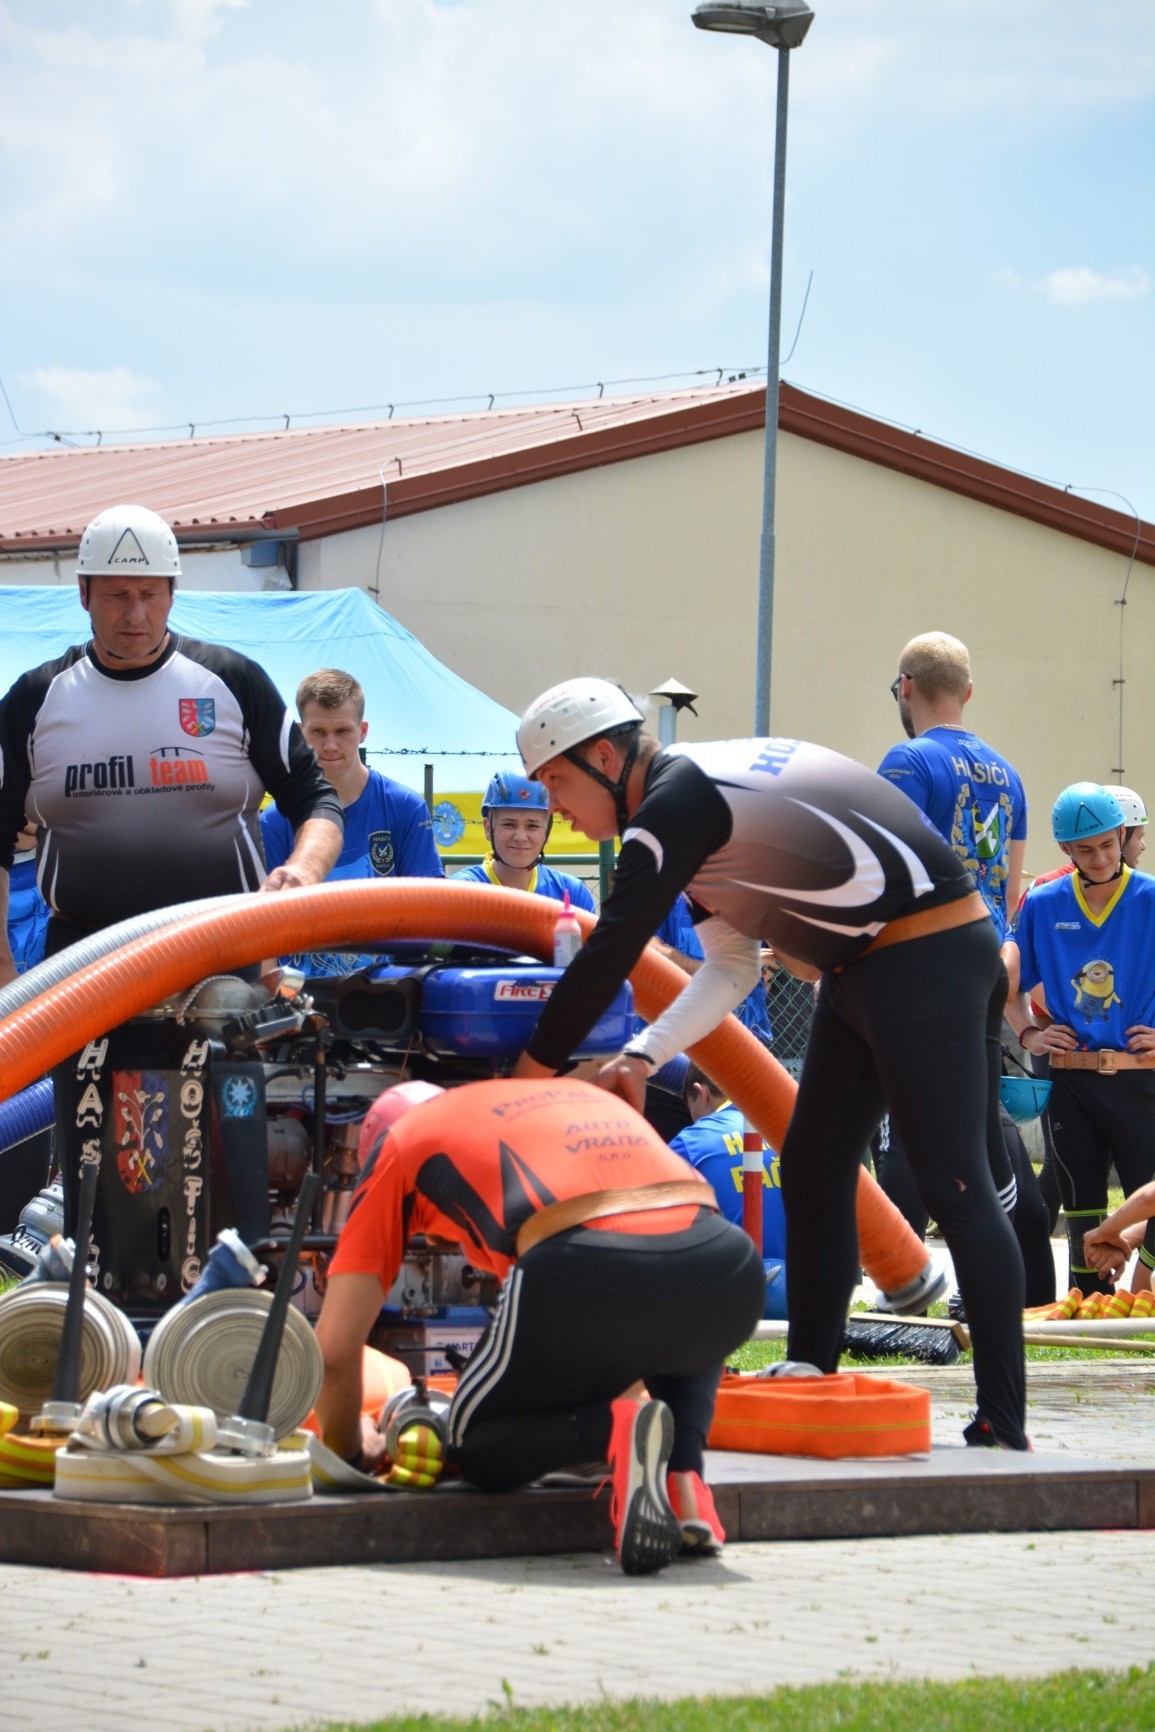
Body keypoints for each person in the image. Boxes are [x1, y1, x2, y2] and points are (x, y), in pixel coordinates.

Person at [509, 678, 1028, 1450]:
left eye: (554, 781)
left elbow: (610, 949)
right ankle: (811, 1369)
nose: (553, 807)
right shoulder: (689, 803)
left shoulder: (676, 802)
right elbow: (732, 967)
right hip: (866, 966)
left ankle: (1003, 1421)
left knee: (954, 1186)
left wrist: (523, 1079)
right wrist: (641, 1055)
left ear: (605, 759)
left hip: (925, 960)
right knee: (814, 1166)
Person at [313, 1076, 765, 1574]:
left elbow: (333, 1352)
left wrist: (352, 1452)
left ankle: (613, 1429)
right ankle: (686, 1484)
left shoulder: (399, 1147)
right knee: (676, 1311)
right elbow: (646, 1284)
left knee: (471, 1440)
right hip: (728, 1271)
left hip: (586, 1262)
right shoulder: (562, 1101)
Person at [0, 503, 343, 984]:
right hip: (85, 965)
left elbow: (315, 798)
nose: (135, 614)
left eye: (150, 594)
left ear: (172, 593)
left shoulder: (232, 680)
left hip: (226, 955)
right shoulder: (35, 699)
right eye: (117, 595)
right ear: (83, 593)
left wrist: (305, 869)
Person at [872, 632, 1027, 1234]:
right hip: (984, 961)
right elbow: (1009, 892)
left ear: (906, 687)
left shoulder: (907, 762)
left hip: (922, 963)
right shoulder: (1009, 775)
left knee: (904, 1124)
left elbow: (886, 874)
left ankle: (902, 1271)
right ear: (968, 692)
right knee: (981, 1124)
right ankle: (1011, 1254)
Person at [1004, 782, 1155, 1297]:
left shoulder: (1150, 897)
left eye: (1108, 845)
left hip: (1142, 1080)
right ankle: (1088, 1305)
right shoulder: (1043, 903)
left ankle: (1143, 1298)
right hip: (1072, 1084)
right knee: (1081, 1209)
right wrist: (1029, 1031)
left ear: (1123, 836)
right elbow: (1008, 983)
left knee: (1150, 1199)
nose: (1099, 858)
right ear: (1065, 848)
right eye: (1085, 849)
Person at [261, 668, 444, 975]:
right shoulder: (276, 820)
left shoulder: (406, 808)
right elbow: (260, 927)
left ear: (363, 730)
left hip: (388, 992)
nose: (330, 745)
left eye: (342, 731)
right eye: (319, 732)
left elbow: (431, 914)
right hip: (303, 996)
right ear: (300, 732)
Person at [670, 1063, 786, 1265]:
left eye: (692, 1110)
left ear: (702, 1093)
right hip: (807, 1272)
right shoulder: (783, 1124)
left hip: (736, 1273)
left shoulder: (690, 1142)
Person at [452, 771, 595, 911]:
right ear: (488, 829)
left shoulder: (571, 894)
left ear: (547, 832)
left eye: (532, 826)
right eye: (509, 824)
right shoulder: (460, 892)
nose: (520, 837)